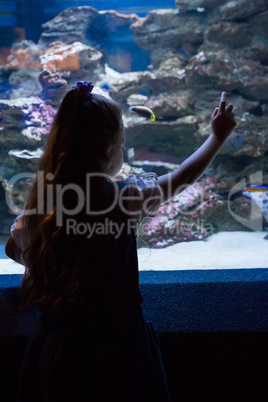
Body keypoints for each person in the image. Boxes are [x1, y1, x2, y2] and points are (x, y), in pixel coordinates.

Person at [5, 82, 236, 402]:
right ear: (111, 148)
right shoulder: (129, 195)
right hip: (116, 343)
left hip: (56, 343)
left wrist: (55, 262)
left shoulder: (46, 195)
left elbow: (14, 248)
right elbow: (183, 176)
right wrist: (217, 136)